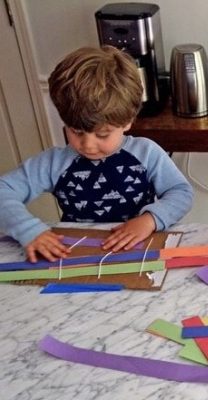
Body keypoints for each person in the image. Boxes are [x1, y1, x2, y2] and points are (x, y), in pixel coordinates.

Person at [0, 46, 193, 262]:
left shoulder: (146, 152)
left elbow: (181, 192)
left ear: (128, 121)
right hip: (76, 254)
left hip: (139, 251)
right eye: (76, 131)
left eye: (102, 134)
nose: (88, 145)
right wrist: (29, 230)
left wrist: (151, 219)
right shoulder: (54, 162)